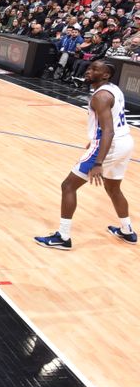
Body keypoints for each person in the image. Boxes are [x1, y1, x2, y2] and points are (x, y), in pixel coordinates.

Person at [34, 61, 135, 249]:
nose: (89, 71)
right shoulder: (113, 89)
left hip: (109, 145)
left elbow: (108, 131)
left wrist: (98, 162)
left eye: (95, 70)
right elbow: (110, 123)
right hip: (125, 142)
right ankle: (127, 230)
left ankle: (63, 237)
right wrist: (95, 138)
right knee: (113, 188)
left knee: (68, 186)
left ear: (105, 75)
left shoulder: (101, 96)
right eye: (89, 68)